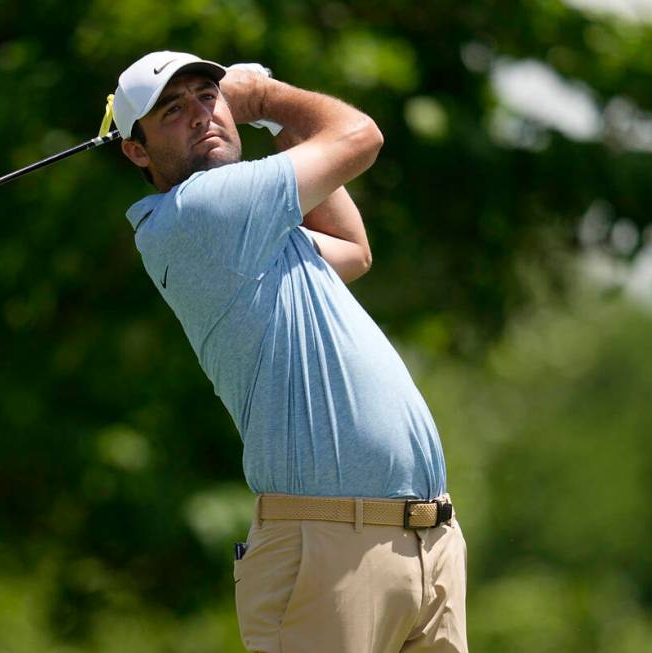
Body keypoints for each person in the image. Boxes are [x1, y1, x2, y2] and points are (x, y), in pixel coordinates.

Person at [111, 50, 468, 653]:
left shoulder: (251, 228)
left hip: (423, 544)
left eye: (207, 96)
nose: (201, 115)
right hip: (326, 547)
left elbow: (351, 249)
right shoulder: (203, 212)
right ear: (137, 150)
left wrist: (274, 126)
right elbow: (361, 136)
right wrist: (261, 99)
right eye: (173, 110)